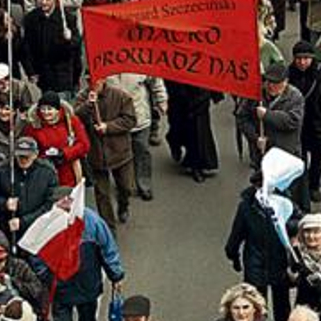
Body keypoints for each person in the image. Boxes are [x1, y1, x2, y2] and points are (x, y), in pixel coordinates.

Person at [40, 195, 125, 321]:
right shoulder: (93, 221)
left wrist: (116, 276)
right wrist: (116, 275)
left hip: (78, 287)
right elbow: (108, 251)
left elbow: (107, 250)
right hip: (75, 287)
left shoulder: (91, 222)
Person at [225, 172, 298, 321]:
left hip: (276, 260)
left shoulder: (284, 202)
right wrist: (233, 255)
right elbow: (236, 234)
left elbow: (297, 223)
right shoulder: (246, 207)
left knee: (280, 303)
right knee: (259, 303)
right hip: (257, 262)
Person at [74, 78, 137, 229]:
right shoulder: (83, 97)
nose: (93, 83)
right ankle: (109, 228)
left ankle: (123, 205)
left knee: (126, 187)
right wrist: (88, 105)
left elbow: (130, 120)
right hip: (96, 155)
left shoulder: (120, 96)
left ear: (104, 80)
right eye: (89, 80)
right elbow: (75, 118)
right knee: (102, 195)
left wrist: (109, 127)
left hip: (120, 153)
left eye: (96, 80)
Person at [0, 136, 58, 241]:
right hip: (8, 228)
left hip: (38, 228)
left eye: (27, 156)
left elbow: (51, 203)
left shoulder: (48, 172)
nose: (23, 160)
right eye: (20, 156)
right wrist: (4, 203)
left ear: (35, 155)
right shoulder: (1, 170)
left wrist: (24, 222)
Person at [107, 73, 166, 201]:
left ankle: (144, 185)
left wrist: (161, 100)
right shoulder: (105, 67)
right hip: (116, 121)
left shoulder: (139, 62)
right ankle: (124, 186)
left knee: (142, 151)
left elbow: (156, 82)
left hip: (139, 118)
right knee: (119, 155)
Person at [236, 63, 305, 169]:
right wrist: (255, 138)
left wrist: (267, 115)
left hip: (286, 155)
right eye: (269, 82)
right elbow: (242, 117)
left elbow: (292, 121)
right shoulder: (256, 94)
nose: (271, 86)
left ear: (286, 81)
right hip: (261, 154)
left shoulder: (295, 97)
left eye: (276, 83)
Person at [288, 40, 321, 202]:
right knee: (299, 158)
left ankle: (314, 185)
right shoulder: (289, 74)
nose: (302, 62)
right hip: (297, 124)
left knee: (318, 158)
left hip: (318, 123)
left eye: (306, 58)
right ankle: (302, 187)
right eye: (298, 58)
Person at [22, 0, 81, 96]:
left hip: (63, 74)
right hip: (43, 74)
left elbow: (76, 47)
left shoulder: (67, 18)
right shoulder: (31, 19)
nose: (44, 2)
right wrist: (30, 71)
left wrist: (69, 39)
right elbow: (27, 47)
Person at [24, 91, 90, 189]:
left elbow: (84, 145)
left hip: (70, 173)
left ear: (58, 110)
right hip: (45, 174)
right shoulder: (33, 125)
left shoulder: (71, 121)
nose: (45, 112)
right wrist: (44, 158)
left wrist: (64, 153)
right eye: (43, 109)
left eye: (49, 109)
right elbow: (29, 149)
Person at [165, 80, 218, 183]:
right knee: (178, 127)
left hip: (200, 94)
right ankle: (174, 142)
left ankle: (196, 165)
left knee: (198, 131)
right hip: (179, 93)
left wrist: (216, 91)